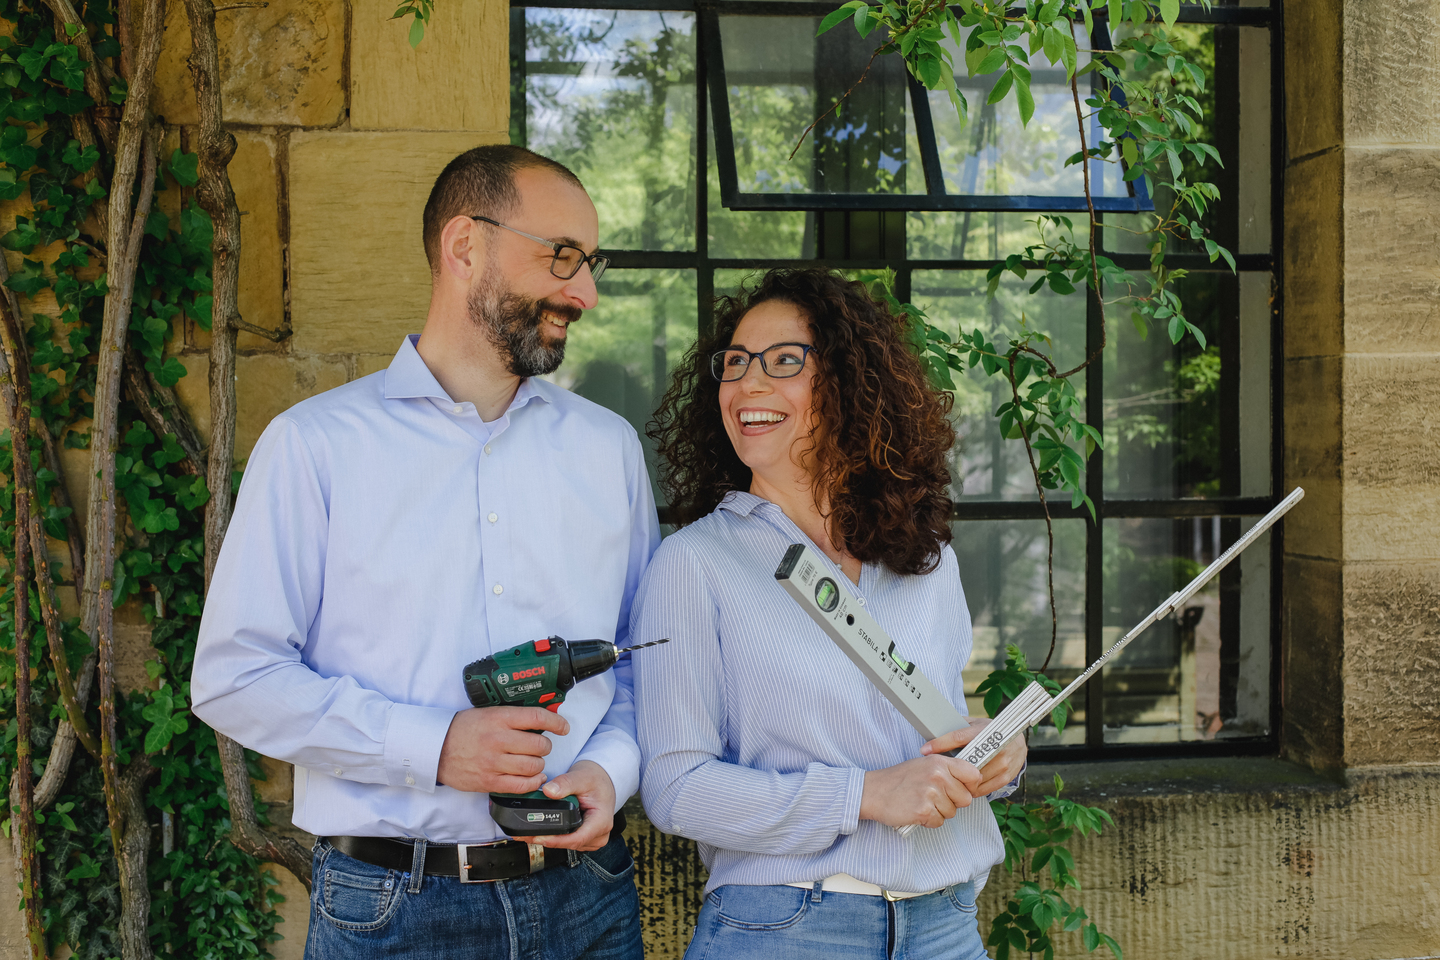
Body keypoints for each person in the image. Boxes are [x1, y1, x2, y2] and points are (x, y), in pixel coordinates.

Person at [191, 144, 659, 960]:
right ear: (464, 245)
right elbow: (235, 679)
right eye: (561, 258)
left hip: (589, 899)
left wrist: (612, 770)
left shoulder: (608, 449)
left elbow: (643, 661)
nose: (583, 292)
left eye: (591, 265)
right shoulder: (315, 446)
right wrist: (433, 746)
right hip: (393, 914)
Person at [631, 268, 1027, 960]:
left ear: (850, 383)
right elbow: (676, 790)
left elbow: (936, 734)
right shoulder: (693, 565)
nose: (748, 384)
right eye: (736, 364)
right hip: (787, 930)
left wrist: (997, 756)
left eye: (784, 361)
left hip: (946, 929)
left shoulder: (926, 556)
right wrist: (864, 796)